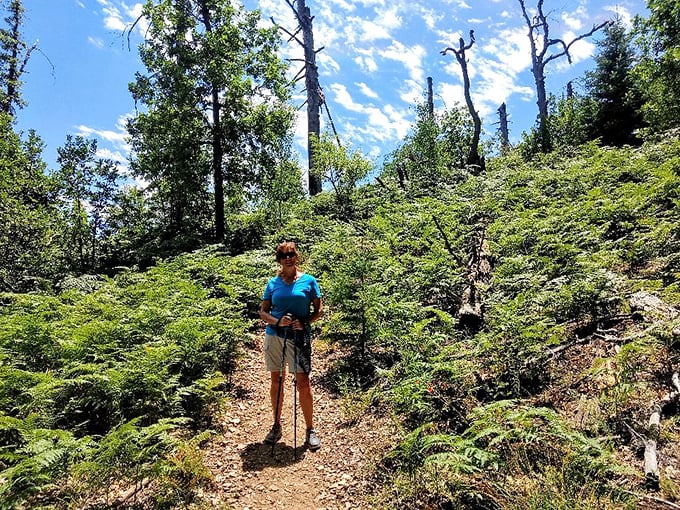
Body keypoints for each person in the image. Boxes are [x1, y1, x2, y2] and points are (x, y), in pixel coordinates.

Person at [259, 241, 323, 450]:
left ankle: (310, 429)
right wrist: (277, 321)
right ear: (279, 259)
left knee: (303, 382)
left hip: (299, 337)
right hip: (275, 336)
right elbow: (263, 312)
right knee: (277, 381)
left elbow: (318, 310)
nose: (288, 258)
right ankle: (276, 425)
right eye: (284, 255)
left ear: (297, 257)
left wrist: (303, 322)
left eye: (292, 254)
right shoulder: (272, 283)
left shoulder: (309, 281)